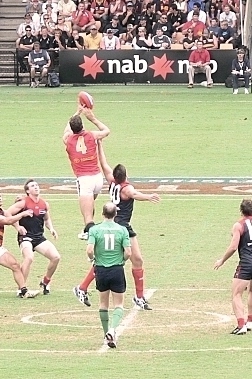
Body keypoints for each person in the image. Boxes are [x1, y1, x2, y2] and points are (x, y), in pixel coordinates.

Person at [73, 142, 160, 310]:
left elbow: (103, 163)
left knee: (133, 260)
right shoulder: (126, 188)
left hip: (116, 225)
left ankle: (138, 296)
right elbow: (134, 194)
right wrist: (149, 196)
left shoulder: (111, 180)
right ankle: (83, 288)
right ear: (126, 176)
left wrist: (99, 145)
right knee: (113, 262)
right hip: (121, 227)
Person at [214, 199, 252, 335]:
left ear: (241, 210)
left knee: (236, 294)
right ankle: (250, 321)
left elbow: (234, 247)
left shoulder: (238, 225)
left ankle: (241, 325)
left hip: (246, 263)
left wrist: (222, 260)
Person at [62, 105, 111, 240]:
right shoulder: (92, 135)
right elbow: (106, 131)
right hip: (97, 178)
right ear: (82, 125)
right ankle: (87, 230)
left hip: (84, 179)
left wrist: (77, 111)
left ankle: (91, 234)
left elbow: (66, 131)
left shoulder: (68, 139)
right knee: (90, 205)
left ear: (72, 129)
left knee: (87, 214)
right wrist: (92, 118)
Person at [87, 202, 131, 348]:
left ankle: (106, 334)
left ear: (102, 214)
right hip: (117, 269)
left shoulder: (95, 230)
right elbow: (128, 253)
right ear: (115, 214)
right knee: (119, 304)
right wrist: (122, 260)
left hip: (101, 270)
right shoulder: (122, 230)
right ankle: (112, 330)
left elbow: (89, 250)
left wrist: (93, 259)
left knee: (103, 303)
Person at [7, 179, 60, 295]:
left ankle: (45, 281)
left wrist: (51, 228)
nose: (36, 187)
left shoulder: (44, 204)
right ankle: (22, 289)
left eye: (36, 185)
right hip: (25, 237)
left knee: (56, 257)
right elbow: (8, 213)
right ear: (27, 191)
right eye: (32, 186)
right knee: (29, 258)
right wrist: (17, 227)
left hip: (39, 237)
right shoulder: (23, 203)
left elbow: (46, 218)